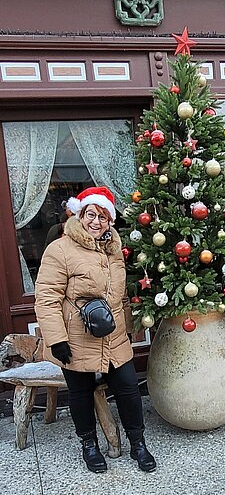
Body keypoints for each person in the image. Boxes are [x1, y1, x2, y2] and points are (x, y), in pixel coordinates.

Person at [35, 185, 156, 474]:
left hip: (113, 334)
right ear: (80, 214)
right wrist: (57, 339)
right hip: (75, 335)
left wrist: (126, 328)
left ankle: (137, 443)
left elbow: (122, 295)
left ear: (110, 221)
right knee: (80, 392)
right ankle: (89, 445)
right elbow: (47, 297)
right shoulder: (60, 249)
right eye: (91, 214)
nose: (96, 222)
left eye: (103, 217)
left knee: (128, 388)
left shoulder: (114, 249)